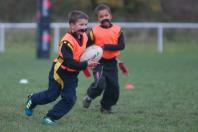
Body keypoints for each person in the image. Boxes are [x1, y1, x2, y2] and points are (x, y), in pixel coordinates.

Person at [24, 10, 98, 125]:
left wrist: (94, 56)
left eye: (85, 24)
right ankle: (32, 99)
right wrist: (86, 64)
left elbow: (85, 52)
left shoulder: (84, 37)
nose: (84, 28)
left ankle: (49, 117)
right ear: (72, 25)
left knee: (70, 99)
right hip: (59, 71)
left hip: (72, 74)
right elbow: (69, 62)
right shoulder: (66, 42)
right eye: (81, 24)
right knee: (51, 96)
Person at [82, 4, 125, 114]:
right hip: (98, 63)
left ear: (111, 16)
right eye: (101, 16)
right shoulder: (94, 31)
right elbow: (86, 45)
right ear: (98, 19)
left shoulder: (118, 30)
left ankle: (106, 107)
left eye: (106, 15)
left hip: (111, 63)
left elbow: (121, 46)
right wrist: (84, 55)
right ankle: (89, 96)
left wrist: (105, 47)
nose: (104, 18)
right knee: (100, 84)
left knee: (114, 87)